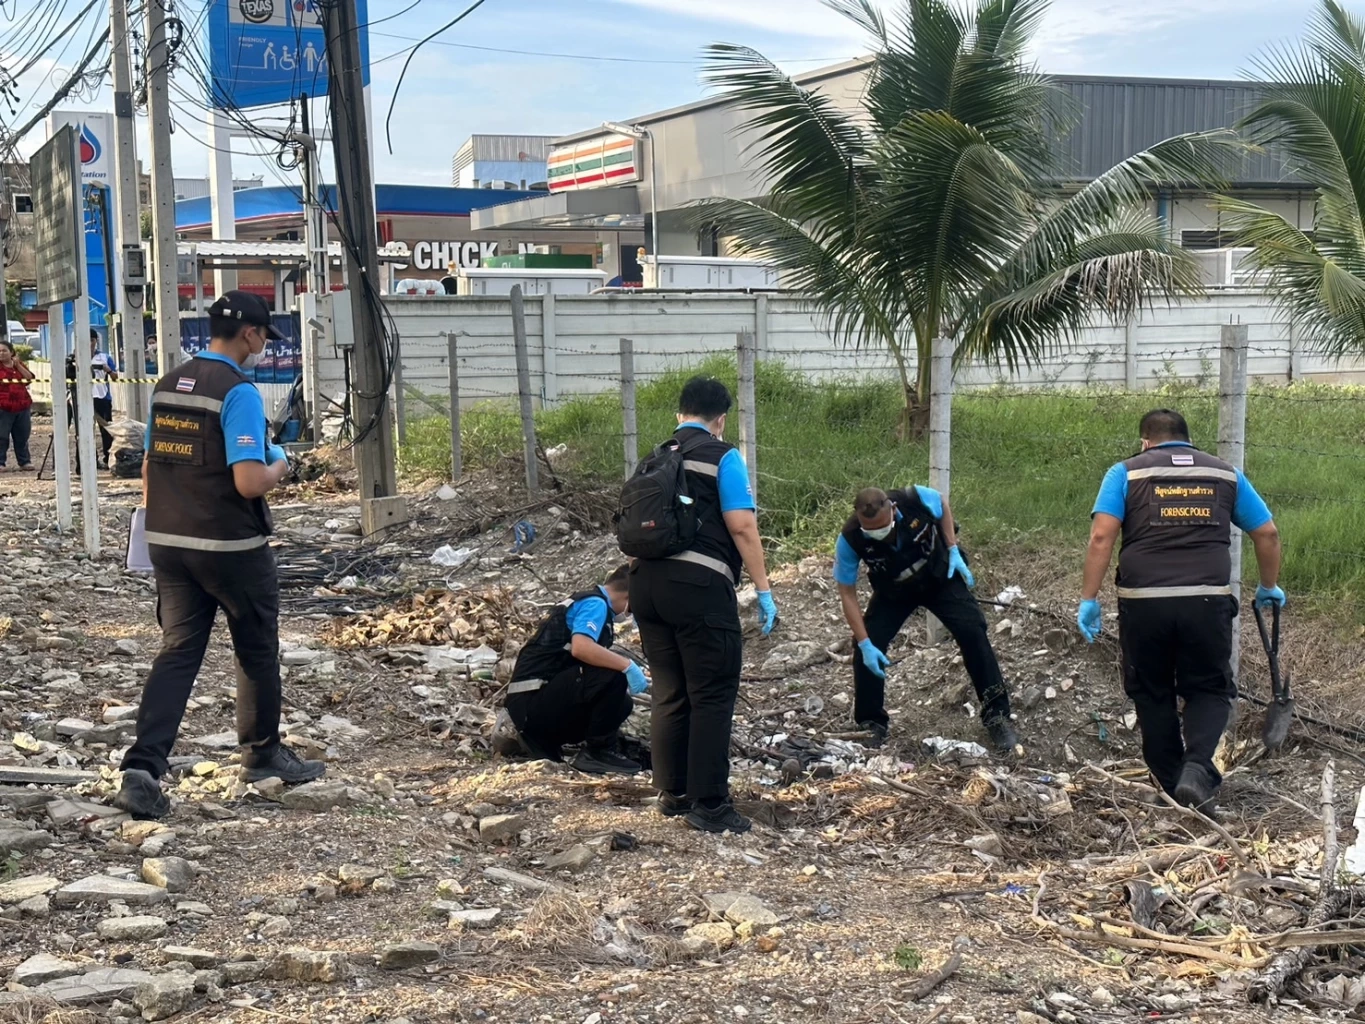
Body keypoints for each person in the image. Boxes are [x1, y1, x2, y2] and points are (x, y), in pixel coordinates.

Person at [113, 291, 322, 820]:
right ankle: (262, 755)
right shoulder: (238, 391)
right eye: (261, 338)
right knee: (255, 647)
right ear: (251, 335)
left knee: (178, 651)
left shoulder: (166, 386)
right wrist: (282, 466)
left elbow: (148, 469)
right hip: (229, 547)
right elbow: (249, 481)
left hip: (167, 542)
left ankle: (142, 770)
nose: (259, 346)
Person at [1078, 408, 1284, 812]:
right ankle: (1196, 771)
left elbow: (1102, 536)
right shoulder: (1225, 474)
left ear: (1145, 442)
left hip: (1144, 603)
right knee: (1208, 687)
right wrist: (1268, 586)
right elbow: (1267, 532)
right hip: (1207, 601)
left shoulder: (1125, 473)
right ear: (1188, 440)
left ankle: (1175, 788)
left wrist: (1089, 598)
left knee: (1152, 691)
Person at [627, 376, 777, 834]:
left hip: (645, 585)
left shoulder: (655, 455)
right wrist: (764, 588)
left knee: (670, 688)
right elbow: (743, 527)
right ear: (721, 419)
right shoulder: (723, 455)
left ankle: (673, 794)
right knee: (711, 692)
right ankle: (710, 805)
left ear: (679, 415)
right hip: (699, 586)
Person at [835, 486, 1018, 753]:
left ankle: (997, 716)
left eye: (882, 528)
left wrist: (953, 547)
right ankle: (870, 723)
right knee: (868, 643)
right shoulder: (851, 538)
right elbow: (847, 593)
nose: (878, 534)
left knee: (972, 631)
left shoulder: (913, 500)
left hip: (938, 575)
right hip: (893, 591)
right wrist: (864, 643)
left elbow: (942, 504)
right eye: (871, 530)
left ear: (893, 510)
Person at [492, 565, 647, 774]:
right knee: (613, 676)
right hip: (532, 704)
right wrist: (627, 665)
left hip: (533, 705)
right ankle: (598, 752)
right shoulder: (595, 604)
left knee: (622, 702)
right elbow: (581, 648)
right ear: (629, 597)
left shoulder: (584, 600)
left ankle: (584, 745)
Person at [67, 331, 118, 471]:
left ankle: (108, 459)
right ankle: (86, 462)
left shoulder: (104, 357)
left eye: (91, 340)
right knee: (82, 431)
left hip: (101, 398)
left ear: (96, 341)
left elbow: (115, 377)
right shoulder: (74, 358)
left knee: (106, 430)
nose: (88, 343)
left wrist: (107, 370)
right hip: (80, 398)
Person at [0, 339, 35, 471]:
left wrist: (18, 365)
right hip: (3, 406)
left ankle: (24, 461)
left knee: (22, 436)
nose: (1, 354)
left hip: (22, 405)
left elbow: (29, 378)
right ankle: (1, 462)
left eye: (4, 351)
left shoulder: (18, 365)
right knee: (1, 436)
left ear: (11, 352)